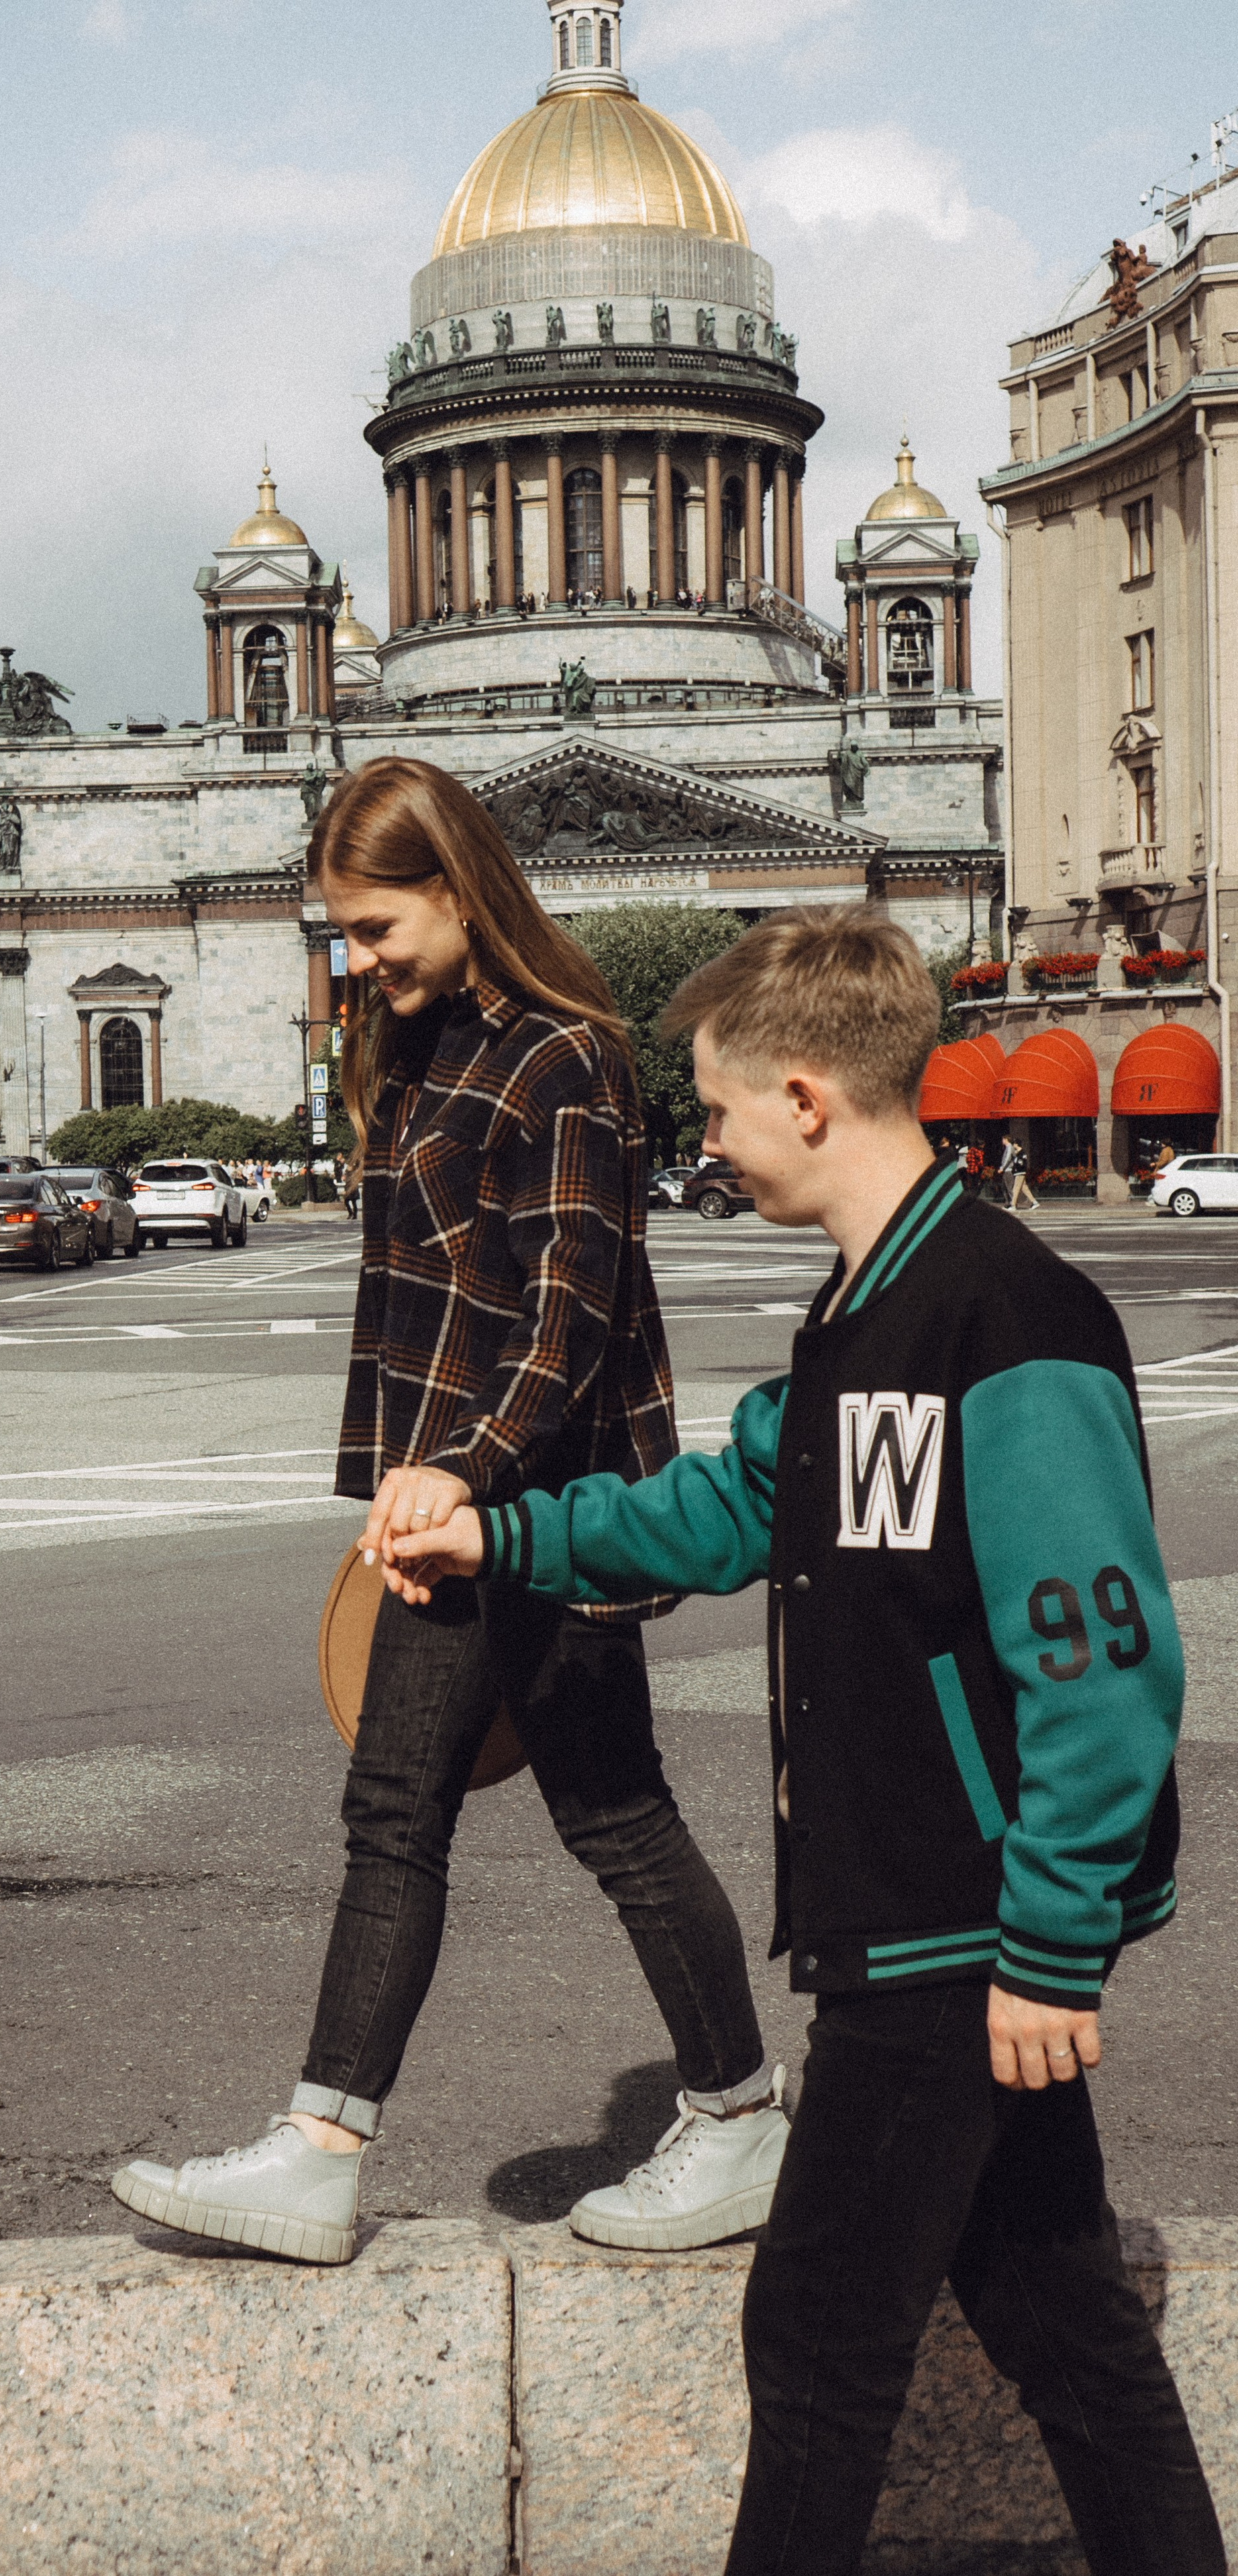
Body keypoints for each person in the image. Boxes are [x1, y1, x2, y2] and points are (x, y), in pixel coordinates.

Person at [387, 909, 1221, 2576]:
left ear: (802, 1096)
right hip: (923, 1906)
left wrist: (1049, 1949)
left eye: (712, 1109)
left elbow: (1102, 1667)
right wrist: (501, 1535)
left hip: (958, 1919)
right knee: (1060, 2322)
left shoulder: (1007, 1317)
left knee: (817, 2334)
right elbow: (725, 1507)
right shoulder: (863, 1310)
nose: (703, 1143)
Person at [111, 755, 788, 2265]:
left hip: (534, 1500)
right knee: (557, 1811)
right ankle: (727, 2114)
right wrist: (414, 1476)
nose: (357, 960)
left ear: (459, 890)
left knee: (492, 1813)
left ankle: (335, 2150)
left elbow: (566, 1312)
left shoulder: (564, 1057)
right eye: (341, 933)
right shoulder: (413, 1045)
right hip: (459, 1494)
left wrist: (461, 1471)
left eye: (376, 927)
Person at [999, 1132, 1037, 1213]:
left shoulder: (1021, 1153)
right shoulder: (1018, 1153)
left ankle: (1013, 1205)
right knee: (1024, 1189)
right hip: (1019, 1173)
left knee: (1015, 1189)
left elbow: (1020, 1164)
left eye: (1014, 1144)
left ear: (1016, 1144)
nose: (1013, 1145)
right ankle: (1035, 1202)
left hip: (1020, 1173)